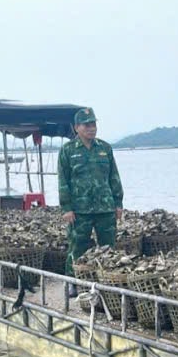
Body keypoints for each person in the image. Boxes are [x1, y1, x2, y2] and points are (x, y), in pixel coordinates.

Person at [58, 107, 124, 276]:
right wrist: (66, 208)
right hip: (80, 210)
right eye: (86, 125)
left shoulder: (105, 148)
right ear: (76, 128)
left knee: (108, 249)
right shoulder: (68, 150)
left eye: (93, 124)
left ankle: (106, 281)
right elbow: (63, 181)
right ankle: (72, 282)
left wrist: (118, 203)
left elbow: (114, 177)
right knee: (77, 248)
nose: (91, 128)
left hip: (105, 208)